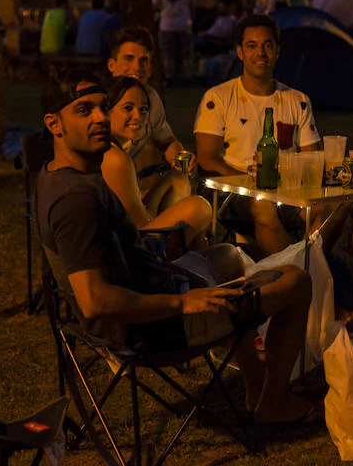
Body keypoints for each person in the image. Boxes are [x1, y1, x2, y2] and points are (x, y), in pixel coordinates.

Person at [35, 70, 319, 424]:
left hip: (157, 287)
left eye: (102, 107)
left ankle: (255, 384)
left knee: (228, 257)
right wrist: (183, 302)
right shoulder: (75, 200)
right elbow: (95, 302)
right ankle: (274, 403)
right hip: (154, 328)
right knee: (296, 281)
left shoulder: (60, 173)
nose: (100, 119)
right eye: (84, 110)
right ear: (54, 124)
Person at [194, 14, 322, 256]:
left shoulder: (297, 100)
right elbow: (207, 158)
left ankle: (308, 262)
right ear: (240, 52)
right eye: (251, 46)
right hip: (234, 191)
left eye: (267, 45)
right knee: (264, 206)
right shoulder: (219, 98)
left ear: (277, 51)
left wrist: (289, 176)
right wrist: (249, 181)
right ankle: (295, 272)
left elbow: (312, 159)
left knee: (332, 207)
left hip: (288, 189)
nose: (260, 53)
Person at [101, 76, 211, 247]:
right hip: (125, 246)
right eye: (128, 108)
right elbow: (139, 227)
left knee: (177, 179)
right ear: (107, 111)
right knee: (198, 208)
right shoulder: (114, 157)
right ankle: (176, 258)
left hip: (127, 231)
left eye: (143, 110)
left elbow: (168, 141)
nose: (138, 116)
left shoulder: (118, 151)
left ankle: (187, 254)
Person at [106, 26, 195, 195]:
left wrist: (180, 158)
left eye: (143, 60)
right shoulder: (99, 99)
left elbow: (167, 141)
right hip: (102, 188)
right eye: (129, 58)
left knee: (181, 186)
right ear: (112, 65)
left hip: (135, 185)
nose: (137, 67)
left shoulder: (151, 97)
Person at [152, 0, 197, 85]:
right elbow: (193, 2)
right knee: (186, 52)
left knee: (167, 53)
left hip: (166, 24)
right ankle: (188, 77)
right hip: (184, 23)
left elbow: (155, 4)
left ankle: (169, 78)